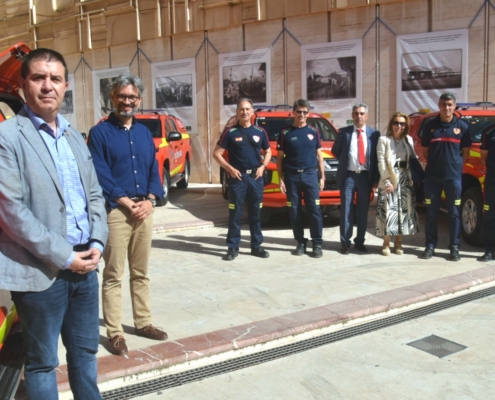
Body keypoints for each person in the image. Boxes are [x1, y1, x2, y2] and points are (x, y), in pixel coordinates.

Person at [0, 48, 108, 399]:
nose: (48, 86)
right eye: (38, 77)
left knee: (85, 353)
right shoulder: (8, 137)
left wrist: (98, 243)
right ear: (22, 85)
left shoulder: (75, 137)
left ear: (65, 86)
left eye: (55, 78)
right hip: (39, 273)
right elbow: (12, 213)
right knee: (43, 362)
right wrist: (65, 256)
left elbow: (94, 195)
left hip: (85, 267)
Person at [88, 73, 167, 356]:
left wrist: (149, 200)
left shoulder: (145, 133)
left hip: (143, 211)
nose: (127, 101)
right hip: (117, 212)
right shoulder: (99, 133)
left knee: (141, 272)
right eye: (122, 96)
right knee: (113, 274)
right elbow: (100, 174)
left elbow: (153, 171)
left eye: (132, 97)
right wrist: (125, 202)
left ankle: (143, 322)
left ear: (139, 99)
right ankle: (115, 332)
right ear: (113, 98)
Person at [213, 98, 272, 261]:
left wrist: (263, 166)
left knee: (255, 213)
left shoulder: (260, 132)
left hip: (255, 178)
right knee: (235, 213)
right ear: (237, 112)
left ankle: (256, 246)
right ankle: (233, 247)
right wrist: (230, 169)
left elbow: (268, 151)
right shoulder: (230, 132)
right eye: (241, 109)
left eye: (247, 109)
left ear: (252, 112)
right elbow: (216, 153)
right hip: (237, 179)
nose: (244, 112)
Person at [420, 92, 471, 261]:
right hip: (432, 178)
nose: (447, 108)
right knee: (432, 213)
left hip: (453, 178)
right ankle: (430, 246)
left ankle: (454, 247)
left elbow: (466, 153)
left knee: (454, 214)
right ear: (439, 106)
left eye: (450, 105)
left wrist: (454, 167)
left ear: (454, 106)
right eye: (443, 104)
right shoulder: (430, 126)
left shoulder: (462, 127)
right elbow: (426, 151)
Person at [276, 99, 325, 258]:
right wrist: (281, 179)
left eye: (305, 112)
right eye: (299, 111)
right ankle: (300, 242)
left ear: (308, 114)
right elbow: (280, 158)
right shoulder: (285, 133)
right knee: (295, 211)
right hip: (292, 176)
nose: (302, 114)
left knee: (315, 210)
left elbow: (319, 156)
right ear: (293, 113)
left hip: (311, 175)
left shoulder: (314, 131)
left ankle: (317, 243)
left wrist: (322, 177)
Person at [332, 103, 380, 254]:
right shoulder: (344, 133)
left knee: (363, 211)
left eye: (362, 113)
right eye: (356, 113)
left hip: (365, 177)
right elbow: (335, 151)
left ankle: (360, 241)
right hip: (348, 176)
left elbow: (377, 158)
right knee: (346, 210)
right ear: (352, 116)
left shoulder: (374, 134)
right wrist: (347, 161)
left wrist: (376, 179)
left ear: (367, 116)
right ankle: (345, 242)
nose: (359, 116)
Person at [376, 112, 419, 255]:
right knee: (388, 211)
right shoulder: (383, 140)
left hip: (405, 178)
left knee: (403, 213)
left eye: (402, 123)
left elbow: (413, 159)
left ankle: (398, 243)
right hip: (389, 177)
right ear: (391, 124)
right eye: (396, 123)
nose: (399, 126)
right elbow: (381, 162)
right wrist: (387, 181)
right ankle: (386, 243)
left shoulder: (408, 140)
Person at [477, 124, 495, 261]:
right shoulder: (489, 131)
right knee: (489, 215)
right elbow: (484, 157)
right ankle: (489, 249)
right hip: (492, 180)